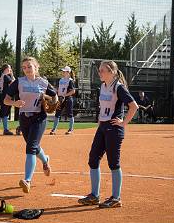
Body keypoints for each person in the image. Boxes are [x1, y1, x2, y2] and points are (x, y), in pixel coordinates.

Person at [78, 60, 138, 208]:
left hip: (114, 128)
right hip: (103, 127)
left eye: (102, 70)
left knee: (113, 163)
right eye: (99, 70)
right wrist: (100, 121)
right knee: (93, 159)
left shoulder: (118, 87)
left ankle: (116, 198)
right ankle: (94, 195)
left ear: (111, 72)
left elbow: (134, 106)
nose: (99, 73)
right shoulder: (103, 86)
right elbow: (103, 106)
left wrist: (123, 123)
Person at [4, 57, 58, 193]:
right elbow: (6, 100)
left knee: (31, 147)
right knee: (33, 146)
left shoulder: (43, 82)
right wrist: (14, 103)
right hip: (24, 118)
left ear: (36, 67)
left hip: (39, 118)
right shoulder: (18, 82)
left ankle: (27, 180)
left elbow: (55, 96)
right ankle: (45, 160)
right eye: (24, 67)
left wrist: (52, 103)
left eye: (29, 66)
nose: (27, 69)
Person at [50, 66, 76, 135]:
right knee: (57, 114)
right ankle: (54, 129)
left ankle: (71, 129)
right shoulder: (61, 80)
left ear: (68, 72)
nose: (63, 72)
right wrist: (54, 91)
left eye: (64, 71)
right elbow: (58, 89)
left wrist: (65, 96)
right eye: (63, 71)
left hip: (68, 99)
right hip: (60, 99)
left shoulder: (70, 81)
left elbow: (73, 91)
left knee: (70, 114)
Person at [0, 64, 15, 135]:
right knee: (2, 113)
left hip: (8, 96)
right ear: (5, 69)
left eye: (10, 69)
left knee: (5, 114)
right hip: (5, 96)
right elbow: (14, 83)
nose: (10, 70)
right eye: (9, 68)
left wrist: (12, 74)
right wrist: (12, 75)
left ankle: (6, 130)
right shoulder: (5, 76)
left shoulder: (6, 76)